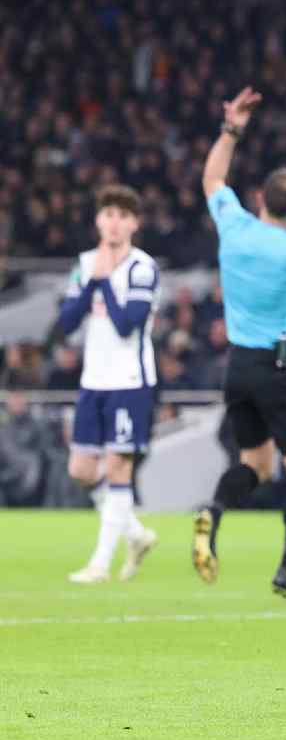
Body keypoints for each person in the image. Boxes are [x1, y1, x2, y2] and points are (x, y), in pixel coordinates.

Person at [192, 87, 286, 604]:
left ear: (259, 199)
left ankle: (213, 511)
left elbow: (213, 177)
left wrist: (231, 129)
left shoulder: (233, 226)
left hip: (237, 366)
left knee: (254, 467)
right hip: (279, 367)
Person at [56, 185, 159, 584]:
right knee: (82, 469)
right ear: (98, 220)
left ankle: (100, 563)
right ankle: (135, 534)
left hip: (130, 382)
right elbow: (65, 323)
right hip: (92, 380)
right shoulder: (84, 264)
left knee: (118, 467)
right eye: (108, 214)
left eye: (123, 215)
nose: (114, 223)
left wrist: (100, 283)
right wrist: (92, 282)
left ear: (134, 223)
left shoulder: (142, 268)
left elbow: (125, 324)